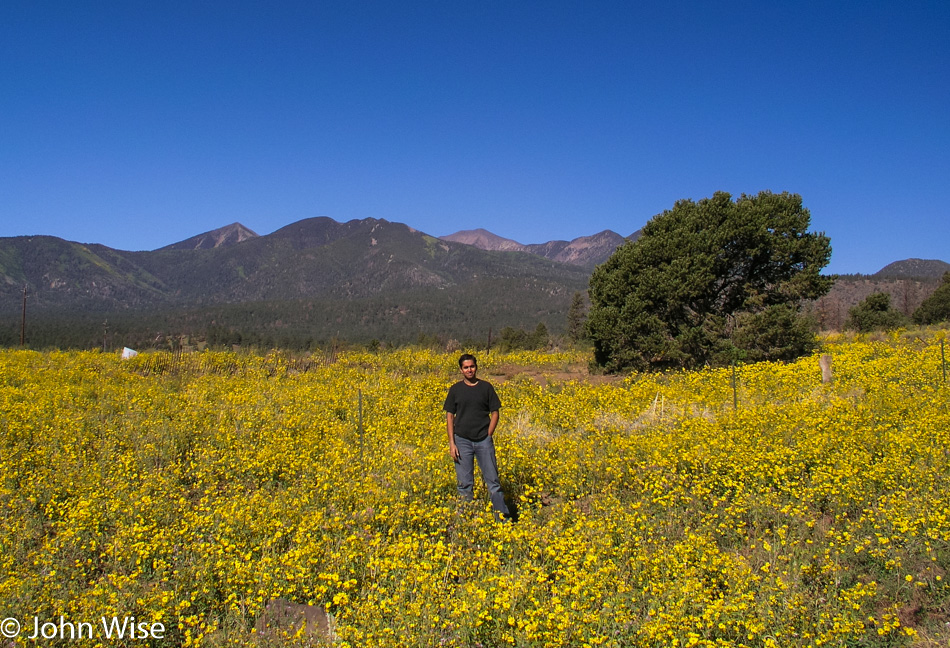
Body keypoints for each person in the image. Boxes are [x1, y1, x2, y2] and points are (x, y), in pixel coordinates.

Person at [443, 353, 511, 519]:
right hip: (462, 441)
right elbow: (450, 416)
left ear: (476, 367)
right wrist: (452, 443)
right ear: (461, 370)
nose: (469, 370)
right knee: (464, 484)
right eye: (466, 367)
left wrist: (488, 434)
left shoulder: (486, 387)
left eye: (472, 366)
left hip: (483, 441)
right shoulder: (455, 390)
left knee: (493, 482)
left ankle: (501, 519)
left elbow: (495, 412)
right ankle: (465, 521)